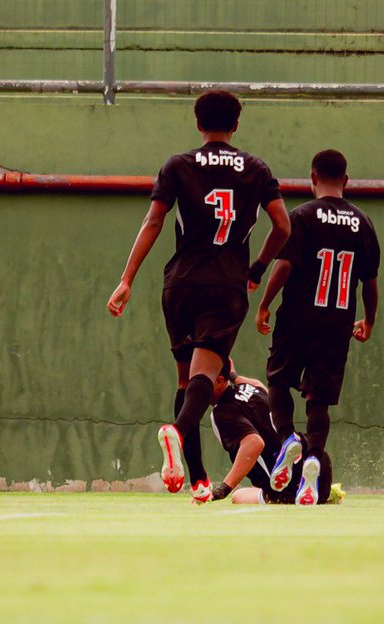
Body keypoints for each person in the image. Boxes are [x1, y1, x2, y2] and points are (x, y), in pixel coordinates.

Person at [107, 89, 290, 503]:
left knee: (185, 380)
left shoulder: (178, 164)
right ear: (236, 125)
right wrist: (257, 269)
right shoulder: (256, 168)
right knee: (205, 377)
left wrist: (126, 279)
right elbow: (282, 226)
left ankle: (199, 479)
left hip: (180, 282)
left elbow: (154, 220)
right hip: (225, 284)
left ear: (197, 123)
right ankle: (176, 431)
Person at [256, 148, 380, 506]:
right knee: (319, 399)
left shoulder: (302, 215)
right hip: (337, 322)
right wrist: (369, 320)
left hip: (297, 317)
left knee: (279, 380)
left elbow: (283, 266)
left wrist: (264, 305)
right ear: (346, 180)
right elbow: (370, 282)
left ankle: (288, 439)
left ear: (312, 178)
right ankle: (312, 458)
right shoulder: (363, 222)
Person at [207, 364, 344, 505]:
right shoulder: (253, 388)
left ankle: (291, 492)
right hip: (319, 462)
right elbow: (255, 383)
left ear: (220, 381)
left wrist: (224, 488)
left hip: (289, 486)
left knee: (238, 495)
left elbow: (254, 443)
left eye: (201, 380)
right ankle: (322, 491)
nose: (197, 386)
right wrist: (233, 375)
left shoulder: (221, 413)